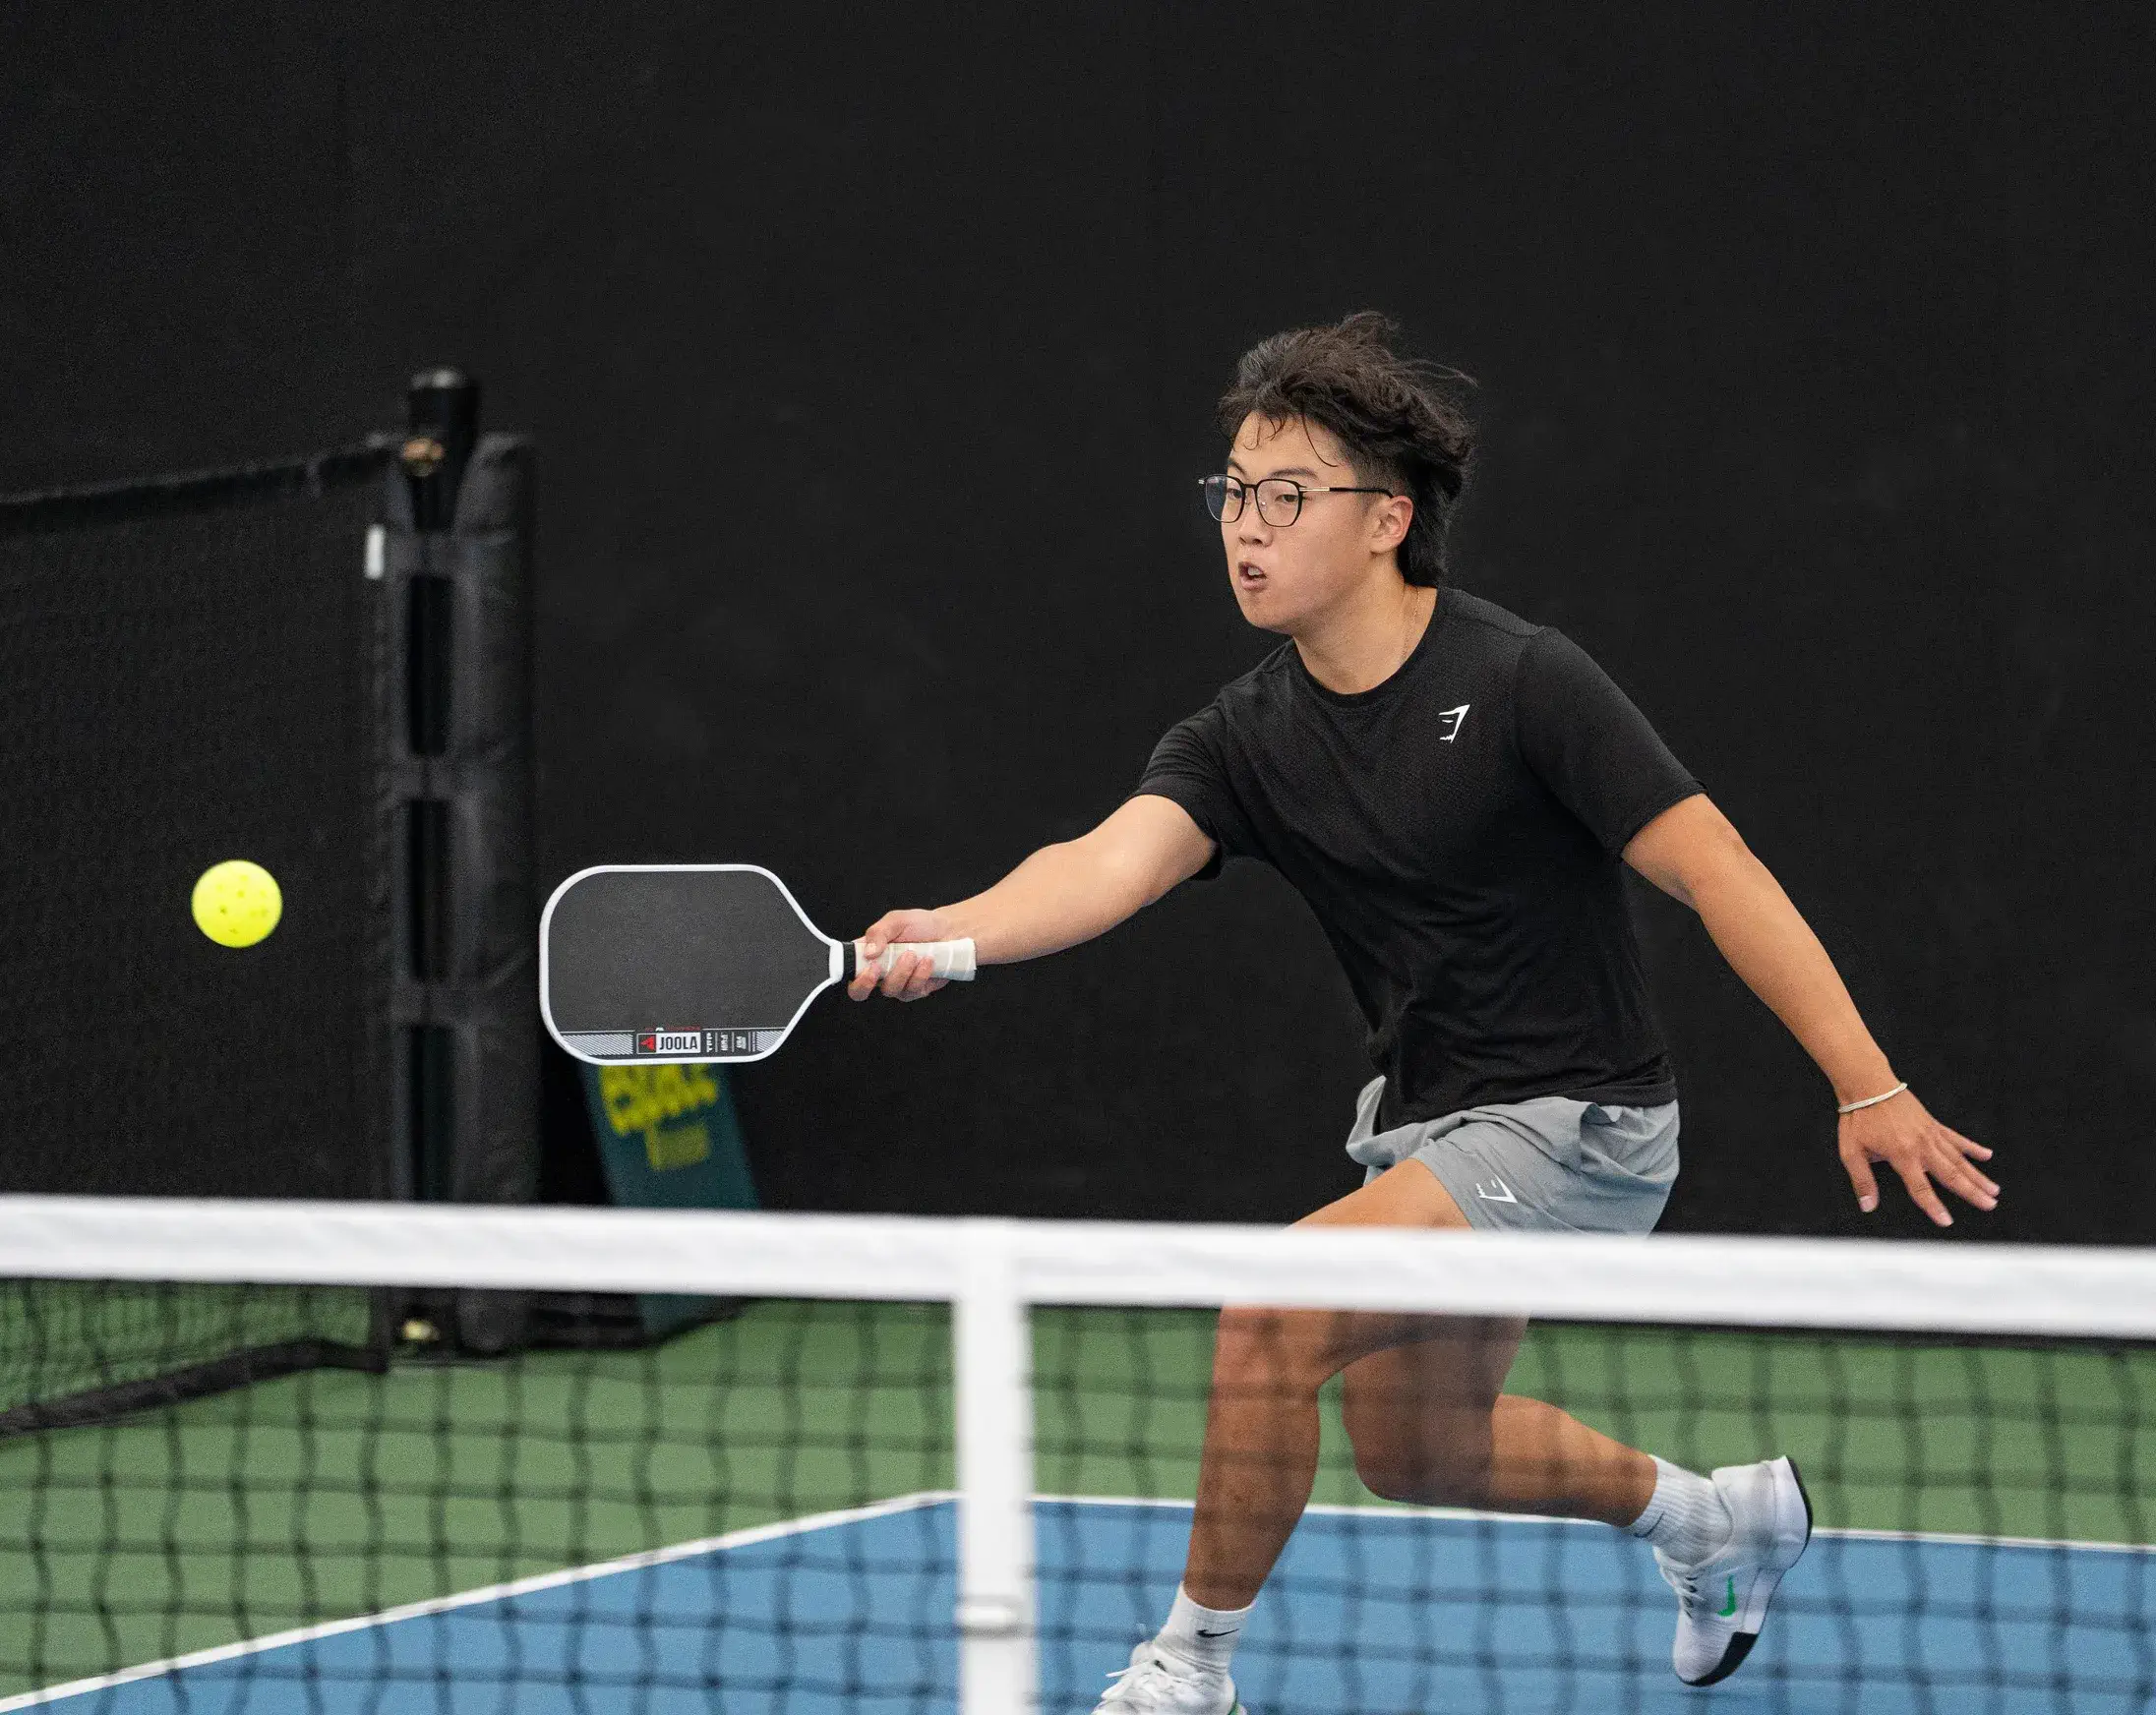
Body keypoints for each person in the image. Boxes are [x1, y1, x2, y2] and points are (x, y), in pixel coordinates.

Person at [848, 312, 1998, 1714]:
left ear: (1388, 519)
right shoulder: (1242, 735)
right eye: (1231, 494)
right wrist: (954, 936)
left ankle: (1187, 1671)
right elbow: (1105, 865)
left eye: (1287, 497)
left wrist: (1867, 1084)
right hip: (1429, 1125)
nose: (1244, 529)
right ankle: (1715, 1521)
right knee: (1421, 1451)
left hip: (1581, 1121)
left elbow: (1718, 870)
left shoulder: (1524, 682)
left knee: (1266, 1317)